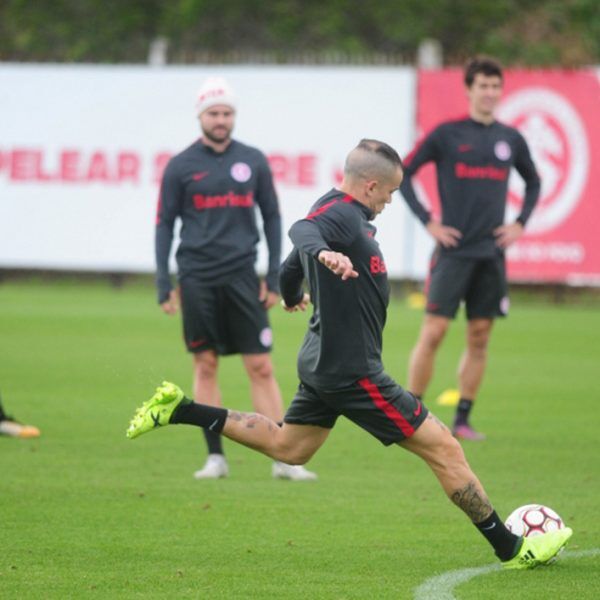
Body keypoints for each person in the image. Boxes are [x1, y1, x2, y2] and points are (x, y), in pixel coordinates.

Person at [130, 139, 570, 569]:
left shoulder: (339, 210)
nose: (391, 202)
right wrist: (323, 254)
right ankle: (511, 548)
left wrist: (290, 293)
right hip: (354, 371)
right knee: (444, 448)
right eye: (392, 193)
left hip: (324, 361)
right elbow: (300, 233)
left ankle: (181, 409)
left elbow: (288, 266)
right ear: (370, 186)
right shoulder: (339, 214)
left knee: (290, 448)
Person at [155, 76, 316, 481]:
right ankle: (215, 457)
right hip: (196, 277)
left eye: (227, 112)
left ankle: (284, 458)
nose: (221, 119)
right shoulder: (180, 165)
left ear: (234, 115)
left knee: (260, 366)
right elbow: (164, 225)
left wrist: (277, 276)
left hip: (244, 277)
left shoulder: (253, 160)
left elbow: (274, 218)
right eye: (214, 113)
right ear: (200, 116)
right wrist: (163, 281)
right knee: (205, 364)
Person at [400, 56, 541, 440]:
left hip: (491, 254)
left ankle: (462, 418)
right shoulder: (446, 134)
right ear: (469, 89)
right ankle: (411, 414)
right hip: (453, 252)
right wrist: (429, 222)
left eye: (496, 86)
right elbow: (404, 171)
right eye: (483, 85)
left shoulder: (510, 138)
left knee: (479, 336)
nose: (490, 93)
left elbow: (534, 182)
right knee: (434, 332)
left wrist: (520, 223)